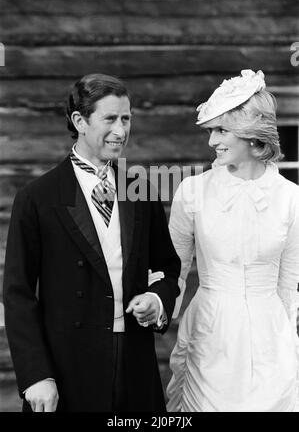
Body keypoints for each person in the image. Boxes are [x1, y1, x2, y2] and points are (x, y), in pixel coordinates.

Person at [3, 73, 180, 412]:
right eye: (110, 118)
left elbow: (168, 267)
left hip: (135, 366)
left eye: (126, 118)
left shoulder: (140, 190)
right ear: (79, 121)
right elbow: (18, 294)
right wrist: (36, 375)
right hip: (67, 370)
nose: (121, 130)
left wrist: (157, 299)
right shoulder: (38, 198)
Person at [166, 69, 299, 412]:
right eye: (210, 131)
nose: (211, 141)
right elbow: (173, 273)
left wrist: (289, 345)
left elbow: (289, 283)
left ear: (254, 136)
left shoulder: (291, 199)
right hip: (211, 333)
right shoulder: (192, 191)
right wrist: (159, 315)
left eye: (222, 130)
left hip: (271, 337)